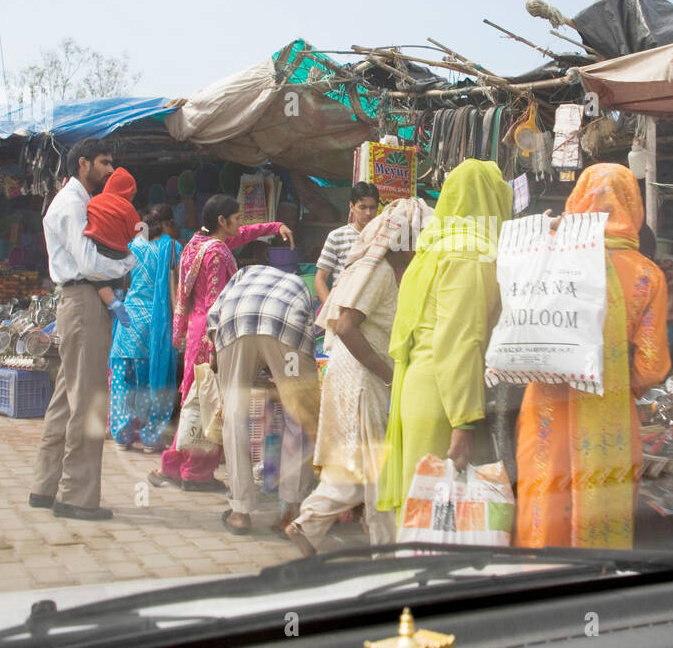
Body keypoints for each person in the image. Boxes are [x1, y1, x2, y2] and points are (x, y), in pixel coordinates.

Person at [514, 163, 671, 550]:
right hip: (610, 415)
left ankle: (541, 581)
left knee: (545, 497)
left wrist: (546, 232)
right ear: (634, 206)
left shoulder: (551, 253)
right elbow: (651, 367)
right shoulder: (648, 275)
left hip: (549, 407)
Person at [286, 198, 433, 556]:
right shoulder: (381, 272)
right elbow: (347, 326)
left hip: (356, 373)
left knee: (361, 462)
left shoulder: (384, 270)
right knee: (379, 466)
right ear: (406, 241)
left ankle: (310, 524)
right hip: (363, 376)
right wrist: (389, 376)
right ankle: (385, 548)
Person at [377, 159, 512, 522]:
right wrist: (464, 421)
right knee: (440, 518)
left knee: (422, 511)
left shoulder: (434, 244)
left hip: (418, 390)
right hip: (445, 397)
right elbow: (460, 340)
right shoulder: (472, 252)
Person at [29, 138, 136, 522]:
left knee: (64, 400)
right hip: (83, 302)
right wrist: (129, 260)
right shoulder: (74, 205)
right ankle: (76, 496)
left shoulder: (77, 202)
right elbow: (90, 264)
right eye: (104, 163)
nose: (110, 171)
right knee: (88, 401)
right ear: (83, 164)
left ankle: (44, 486)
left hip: (79, 303)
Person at [157, 195, 293, 490]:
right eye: (236, 217)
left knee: (195, 402)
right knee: (212, 405)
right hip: (211, 334)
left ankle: (173, 464)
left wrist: (275, 225)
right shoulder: (217, 254)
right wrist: (218, 345)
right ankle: (197, 472)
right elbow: (216, 301)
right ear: (222, 221)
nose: (240, 222)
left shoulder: (199, 242)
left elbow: (243, 234)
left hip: (196, 330)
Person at [210, 264, 320, 534]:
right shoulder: (298, 285)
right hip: (286, 327)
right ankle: (292, 511)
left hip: (235, 324)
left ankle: (240, 511)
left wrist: (217, 358)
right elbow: (308, 329)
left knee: (234, 417)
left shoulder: (242, 274)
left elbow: (213, 318)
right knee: (299, 415)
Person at [109, 203, 181, 453]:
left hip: (127, 321)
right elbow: (177, 289)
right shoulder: (172, 247)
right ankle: (151, 436)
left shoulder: (133, 246)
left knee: (122, 379)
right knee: (156, 382)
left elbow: (122, 283)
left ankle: (122, 434)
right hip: (155, 325)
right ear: (169, 224)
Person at [82, 165, 141, 324]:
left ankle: (111, 301)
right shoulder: (127, 207)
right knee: (120, 271)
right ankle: (118, 296)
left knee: (98, 277)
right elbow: (136, 231)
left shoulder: (94, 200)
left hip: (96, 245)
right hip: (117, 249)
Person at [314, 182, 380, 304]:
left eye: (372, 207)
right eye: (363, 207)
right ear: (352, 206)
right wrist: (329, 309)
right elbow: (320, 278)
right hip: (341, 303)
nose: (368, 213)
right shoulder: (337, 236)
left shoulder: (382, 237)